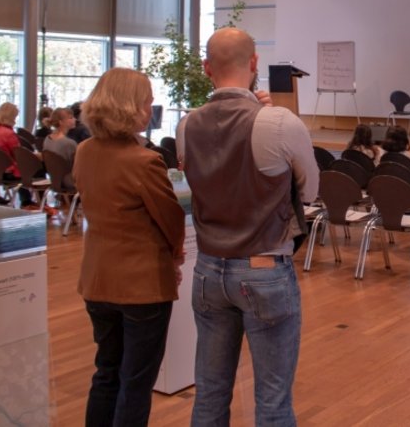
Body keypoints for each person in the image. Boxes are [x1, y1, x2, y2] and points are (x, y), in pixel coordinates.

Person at [179, 28, 318, 427]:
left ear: (206, 68)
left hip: (207, 270)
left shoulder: (186, 125)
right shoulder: (277, 122)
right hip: (264, 269)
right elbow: (309, 191)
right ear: (255, 64)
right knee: (273, 402)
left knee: (209, 395)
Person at [74, 68, 185, 427]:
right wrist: (176, 254)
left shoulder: (84, 151)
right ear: (131, 106)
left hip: (97, 279)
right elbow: (171, 219)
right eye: (148, 101)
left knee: (106, 372)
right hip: (142, 286)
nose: (150, 108)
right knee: (136, 383)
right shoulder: (145, 161)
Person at [0, 102, 38, 208]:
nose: (16, 120)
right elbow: (19, 154)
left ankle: (26, 199)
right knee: (29, 167)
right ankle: (28, 200)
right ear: (11, 117)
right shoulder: (9, 134)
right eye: (15, 117)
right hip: (8, 172)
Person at [45, 107, 78, 189]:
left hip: (54, 179)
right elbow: (78, 165)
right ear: (61, 122)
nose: (75, 119)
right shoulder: (69, 143)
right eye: (71, 118)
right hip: (69, 181)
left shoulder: (47, 139)